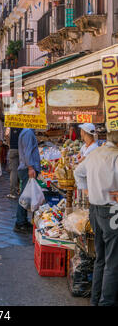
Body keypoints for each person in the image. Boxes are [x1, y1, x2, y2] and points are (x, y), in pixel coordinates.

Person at [74, 131, 118, 307]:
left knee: (100, 258)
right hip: (112, 211)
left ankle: (95, 300)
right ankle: (106, 302)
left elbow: (78, 172)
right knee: (112, 261)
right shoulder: (115, 156)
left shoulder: (94, 154)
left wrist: (86, 191)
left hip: (95, 210)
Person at [13, 128, 41, 233]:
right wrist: (30, 167)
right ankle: (20, 222)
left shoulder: (27, 132)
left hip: (26, 168)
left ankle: (23, 221)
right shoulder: (28, 132)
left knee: (26, 195)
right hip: (26, 169)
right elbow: (27, 152)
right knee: (25, 196)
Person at [5, 127, 22, 199]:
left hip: (13, 148)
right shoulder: (25, 121)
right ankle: (22, 190)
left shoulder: (11, 121)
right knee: (23, 169)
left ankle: (13, 192)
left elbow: (6, 134)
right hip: (22, 149)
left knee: (14, 171)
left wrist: (9, 143)